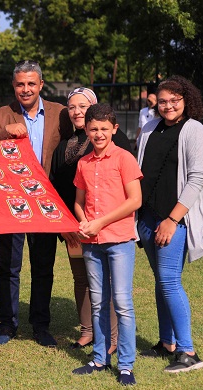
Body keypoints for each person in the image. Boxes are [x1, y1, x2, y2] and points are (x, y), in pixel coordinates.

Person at [0, 60, 71, 347]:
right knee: (8, 267)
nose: (26, 89)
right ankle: (7, 324)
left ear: (41, 85)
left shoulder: (60, 113)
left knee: (43, 266)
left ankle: (40, 325)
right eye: (20, 84)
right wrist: (5, 135)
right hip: (11, 202)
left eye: (31, 83)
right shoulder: (0, 115)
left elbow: (74, 146)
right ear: (14, 86)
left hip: (46, 201)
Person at [136, 76, 203, 373]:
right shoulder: (149, 128)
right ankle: (167, 343)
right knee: (161, 280)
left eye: (174, 100)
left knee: (169, 280)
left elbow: (198, 178)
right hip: (148, 217)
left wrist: (172, 219)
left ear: (186, 100)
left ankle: (188, 352)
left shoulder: (193, 129)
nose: (168, 106)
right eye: (163, 101)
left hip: (174, 220)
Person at [50, 87, 132, 353]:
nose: (77, 111)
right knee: (81, 279)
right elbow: (56, 187)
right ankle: (87, 331)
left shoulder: (113, 141)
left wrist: (98, 222)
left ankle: (112, 337)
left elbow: (126, 188)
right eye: (72, 107)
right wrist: (66, 225)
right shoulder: (64, 145)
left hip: (106, 226)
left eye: (83, 106)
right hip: (74, 226)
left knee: (106, 282)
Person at [70, 103, 142, 386]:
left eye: (104, 129)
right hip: (91, 243)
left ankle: (126, 365)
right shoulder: (83, 163)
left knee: (122, 303)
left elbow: (134, 200)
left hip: (119, 240)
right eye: (93, 129)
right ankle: (99, 359)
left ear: (114, 129)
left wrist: (100, 222)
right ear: (86, 131)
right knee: (98, 302)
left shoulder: (125, 158)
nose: (99, 134)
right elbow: (78, 202)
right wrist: (84, 221)